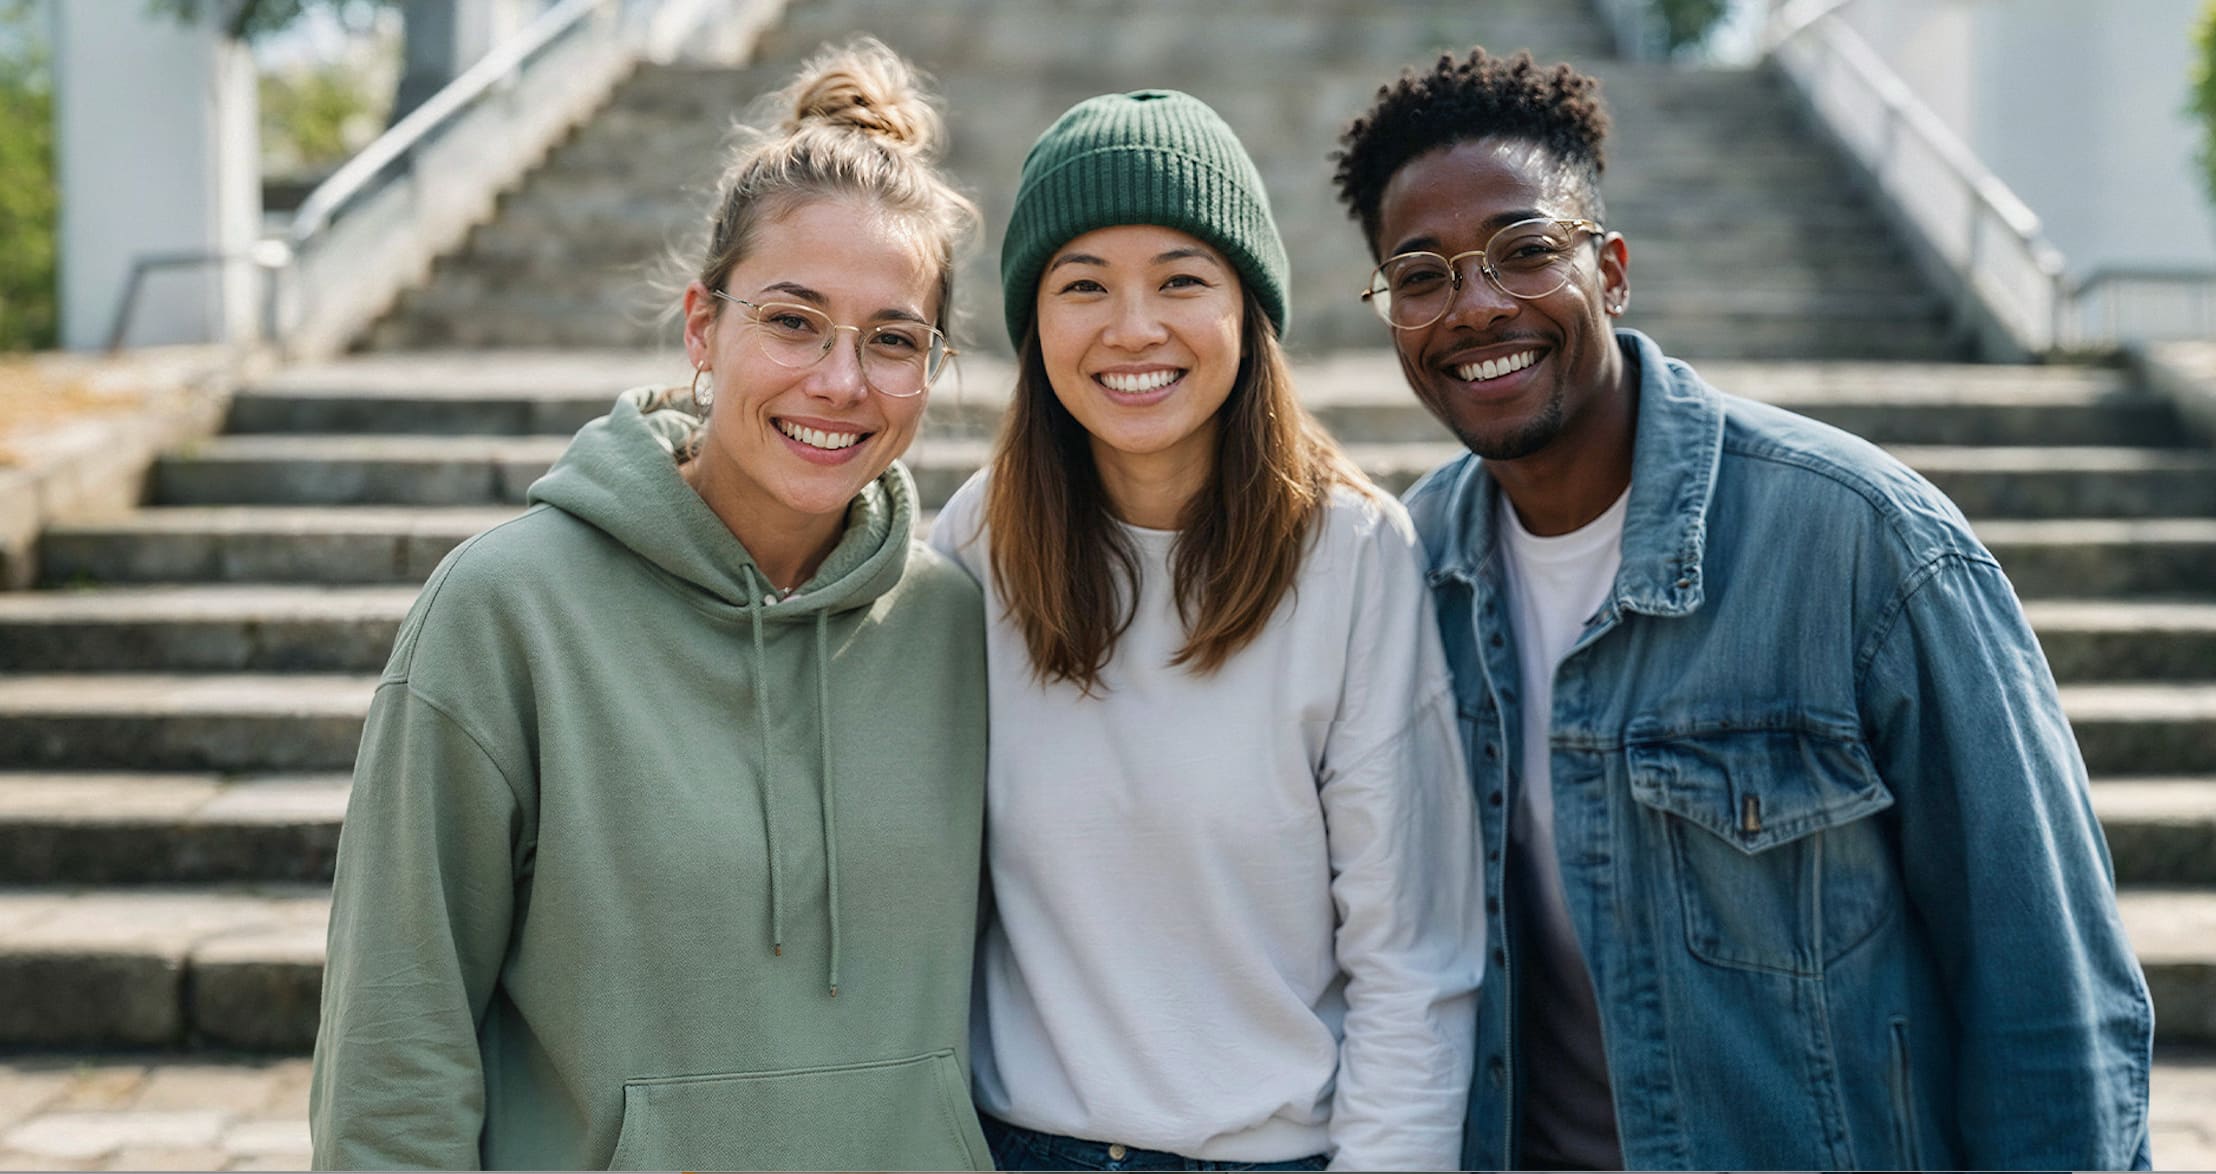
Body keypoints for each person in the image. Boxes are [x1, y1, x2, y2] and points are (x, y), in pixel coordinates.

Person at [1329, 46, 2156, 1171]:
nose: (1474, 307)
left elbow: (2049, 992)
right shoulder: (1406, 572)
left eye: (1524, 252)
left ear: (1609, 271)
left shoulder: (1863, 542)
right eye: (1419, 275)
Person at [310, 39, 994, 1171]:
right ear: (701, 328)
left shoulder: (954, 629)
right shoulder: (505, 614)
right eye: (790, 321)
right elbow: (395, 1052)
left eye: (892, 340)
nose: (840, 380)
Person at [927, 90, 1482, 1172]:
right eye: (1081, 284)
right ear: (1033, 322)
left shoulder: (1353, 556)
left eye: (1182, 279)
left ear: (1248, 309)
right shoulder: (976, 548)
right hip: (1016, 1149)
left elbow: (1411, 956)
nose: (1132, 328)